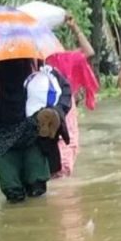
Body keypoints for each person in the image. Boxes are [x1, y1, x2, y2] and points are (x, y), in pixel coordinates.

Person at [0, 58, 72, 203]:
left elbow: (63, 90)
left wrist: (55, 112)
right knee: (13, 192)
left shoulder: (34, 57)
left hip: (33, 133)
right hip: (3, 135)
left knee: (37, 188)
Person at [44, 15, 99, 178]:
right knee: (66, 142)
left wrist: (75, 28)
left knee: (64, 142)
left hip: (57, 108)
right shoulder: (37, 61)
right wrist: (74, 28)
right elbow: (89, 52)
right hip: (56, 107)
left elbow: (89, 52)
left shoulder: (62, 59)